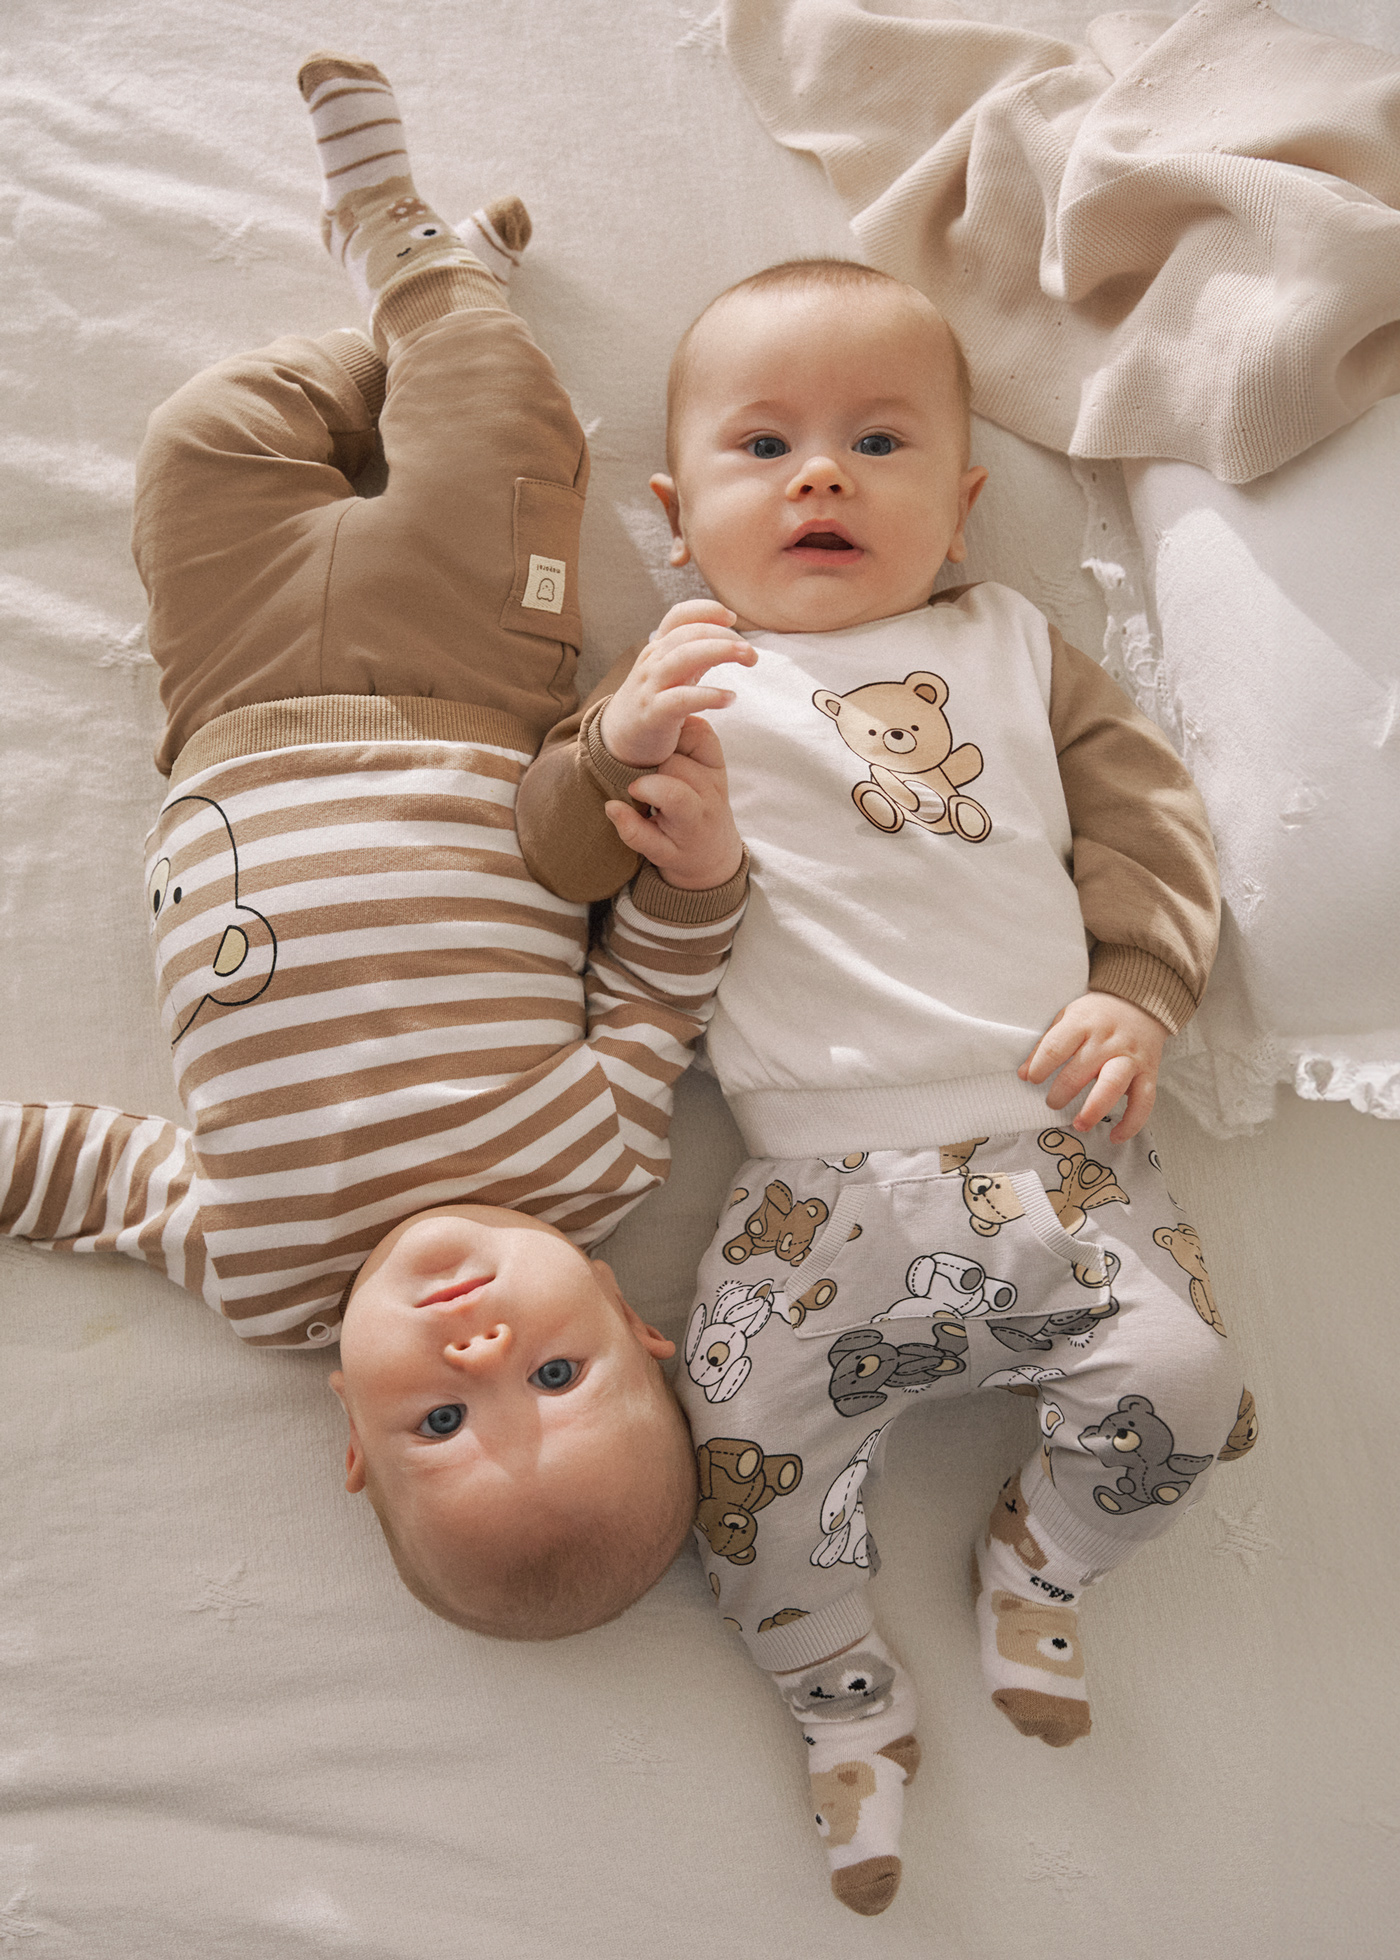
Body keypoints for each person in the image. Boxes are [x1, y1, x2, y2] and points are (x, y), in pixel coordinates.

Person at [514, 259, 1255, 1913]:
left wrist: (1137, 991)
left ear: (964, 505)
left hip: (1059, 1146)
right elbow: (556, 857)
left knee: (1189, 1383)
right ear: (676, 517)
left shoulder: (1012, 649)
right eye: (763, 446)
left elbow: (1151, 825)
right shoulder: (680, 677)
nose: (822, 479)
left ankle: (1047, 1554)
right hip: (810, 1199)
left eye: (878, 442)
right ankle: (843, 1701)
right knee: (736, 1462)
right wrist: (610, 747)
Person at [0, 56, 748, 1643]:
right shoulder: (594, 1165)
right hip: (473, 683)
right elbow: (660, 993)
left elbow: (89, 1177)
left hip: (230, 700)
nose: (482, 1352)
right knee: (505, 422)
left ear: (351, 1432)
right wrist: (699, 870)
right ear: (634, 1321)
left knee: (202, 439)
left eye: (443, 1422)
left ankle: (434, 302)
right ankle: (412, 262)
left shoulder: (263, 1275)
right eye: (559, 1373)